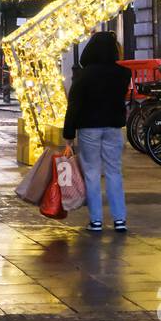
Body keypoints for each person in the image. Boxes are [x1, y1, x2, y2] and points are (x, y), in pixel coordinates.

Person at [62, 31, 131, 233]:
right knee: (114, 172)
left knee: (92, 173)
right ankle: (119, 219)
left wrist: (68, 135)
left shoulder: (83, 76)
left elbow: (73, 106)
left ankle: (96, 221)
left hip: (88, 128)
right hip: (113, 127)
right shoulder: (123, 74)